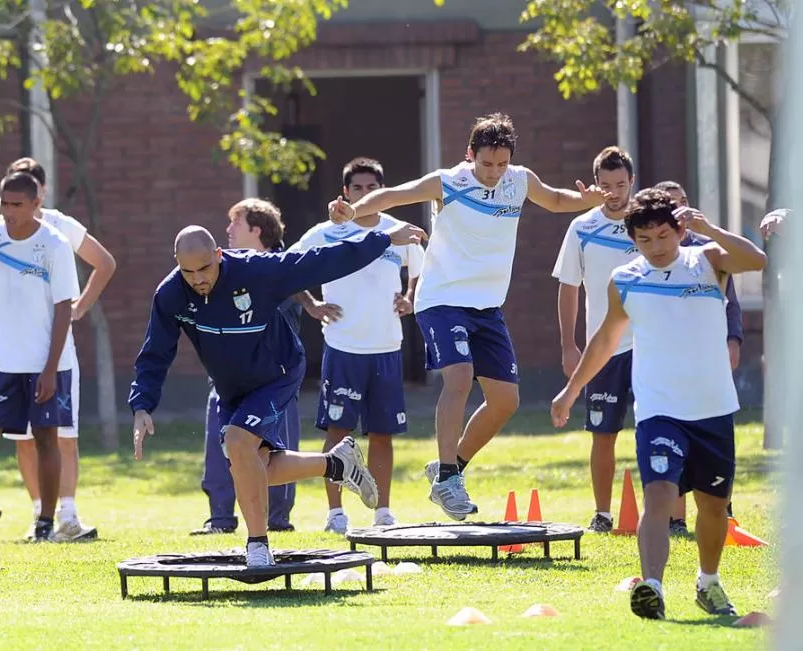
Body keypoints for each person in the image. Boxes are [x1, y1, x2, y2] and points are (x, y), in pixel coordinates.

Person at [328, 113, 609, 519]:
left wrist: (588, 200)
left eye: (501, 164)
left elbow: (556, 199)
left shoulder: (520, 180)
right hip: (441, 299)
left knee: (505, 400)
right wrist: (352, 212)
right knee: (459, 377)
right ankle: (446, 479)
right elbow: (390, 196)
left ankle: (450, 467)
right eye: (486, 164)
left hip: (487, 306)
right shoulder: (450, 182)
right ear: (470, 155)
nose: (494, 173)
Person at [130, 222, 427, 567]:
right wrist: (142, 404)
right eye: (188, 271)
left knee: (239, 444)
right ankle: (336, 463)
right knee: (252, 467)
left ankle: (257, 546)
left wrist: (384, 238)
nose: (197, 279)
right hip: (232, 387)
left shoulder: (256, 271)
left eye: (204, 268)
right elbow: (156, 352)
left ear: (219, 255)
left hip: (279, 373)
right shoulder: (170, 294)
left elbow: (320, 260)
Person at [551, 188, 767, 620]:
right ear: (633, 240)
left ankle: (708, 582)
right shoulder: (626, 280)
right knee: (659, 495)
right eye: (645, 240)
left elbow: (756, 260)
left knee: (712, 505)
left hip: (712, 407)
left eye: (664, 237)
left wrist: (709, 229)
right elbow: (605, 341)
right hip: (658, 408)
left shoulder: (709, 260)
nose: (656, 248)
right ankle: (652, 587)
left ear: (680, 230)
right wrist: (571, 390)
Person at [0, 157, 116, 542]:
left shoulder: (55, 242)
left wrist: (51, 367)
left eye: (16, 204)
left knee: (48, 439)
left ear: (37, 201)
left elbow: (63, 308)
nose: (8, 211)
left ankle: (48, 523)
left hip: (46, 363)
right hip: (2, 363)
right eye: (3, 203)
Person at [293, 157, 424, 533]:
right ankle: (335, 514)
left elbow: (419, 271)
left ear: (383, 192)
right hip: (342, 347)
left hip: (386, 347)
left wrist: (410, 296)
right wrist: (312, 305)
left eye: (373, 188)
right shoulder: (326, 232)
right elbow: (289, 266)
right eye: (358, 188)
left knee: (382, 433)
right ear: (345, 193)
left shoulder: (398, 231)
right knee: (338, 433)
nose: (366, 194)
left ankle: (383, 512)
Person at [191, 198, 301, 535]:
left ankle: (277, 518)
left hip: (273, 381)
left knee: (277, 448)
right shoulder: (223, 270)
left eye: (235, 224)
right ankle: (221, 518)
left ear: (256, 229)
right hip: (228, 379)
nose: (227, 231)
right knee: (219, 446)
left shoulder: (279, 270)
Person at [652, 180, 744, 534]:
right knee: (674, 435)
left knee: (715, 430)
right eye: (671, 205)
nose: (680, 211)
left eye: (684, 203)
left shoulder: (710, 250)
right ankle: (675, 519)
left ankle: (724, 508)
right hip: (670, 363)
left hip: (709, 360)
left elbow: (731, 302)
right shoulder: (650, 254)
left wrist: (733, 339)